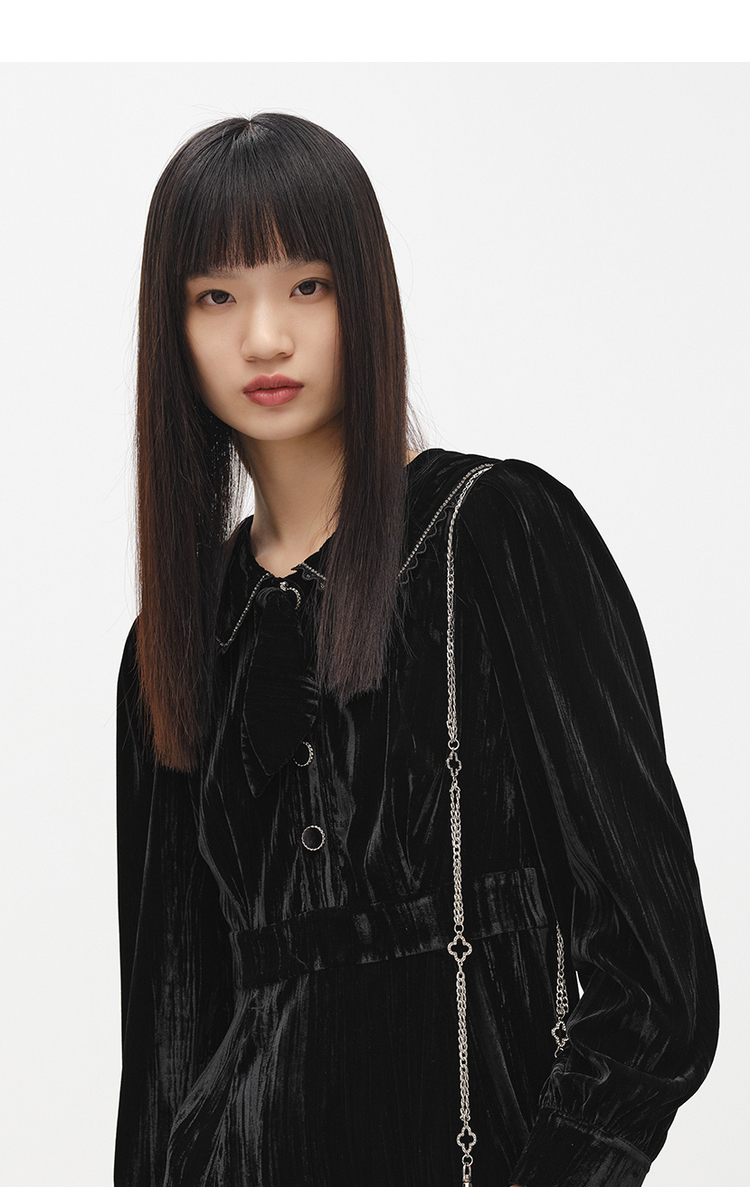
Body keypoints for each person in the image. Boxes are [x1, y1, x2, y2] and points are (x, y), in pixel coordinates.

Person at [114, 112, 719, 1187]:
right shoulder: (175, 640)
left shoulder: (497, 536)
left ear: (367, 296)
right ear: (174, 328)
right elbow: (167, 1048)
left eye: (307, 285)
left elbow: (655, 984)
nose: (265, 337)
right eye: (217, 296)